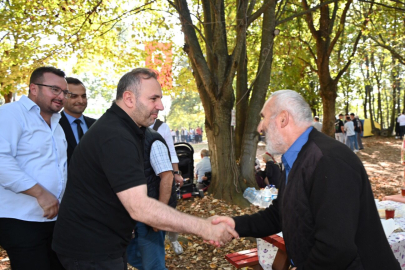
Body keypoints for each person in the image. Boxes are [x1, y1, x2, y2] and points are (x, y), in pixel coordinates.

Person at [52, 68, 237, 269]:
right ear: (129, 99)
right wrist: (204, 228)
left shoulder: (127, 129)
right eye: (153, 99)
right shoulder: (115, 136)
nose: (161, 106)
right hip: (89, 250)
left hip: (106, 243)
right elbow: (140, 207)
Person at [212, 90, 400, 270]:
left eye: (263, 117)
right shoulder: (298, 158)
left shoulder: (328, 160)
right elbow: (281, 213)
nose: (260, 127)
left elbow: (336, 248)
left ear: (283, 118)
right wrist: (235, 224)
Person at [0, 66, 69, 270]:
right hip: (20, 220)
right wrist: (40, 193)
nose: (61, 96)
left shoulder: (57, 122)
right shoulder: (10, 114)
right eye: (54, 90)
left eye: (64, 92)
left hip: (54, 220)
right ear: (33, 88)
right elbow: (1, 160)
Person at [126, 127, 175, 270]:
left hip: (150, 214)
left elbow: (167, 177)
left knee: (153, 264)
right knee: (132, 255)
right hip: (131, 211)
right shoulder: (124, 137)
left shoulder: (152, 140)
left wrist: (158, 216)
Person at [150, 119, 184, 254]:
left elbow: (171, 150)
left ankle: (174, 239)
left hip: (164, 174)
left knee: (171, 210)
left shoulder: (162, 127)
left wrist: (176, 173)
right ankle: (158, 247)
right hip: (146, 177)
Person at [59, 77, 96, 165]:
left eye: (83, 96)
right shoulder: (54, 125)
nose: (81, 101)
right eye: (74, 96)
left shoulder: (97, 125)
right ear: (63, 97)